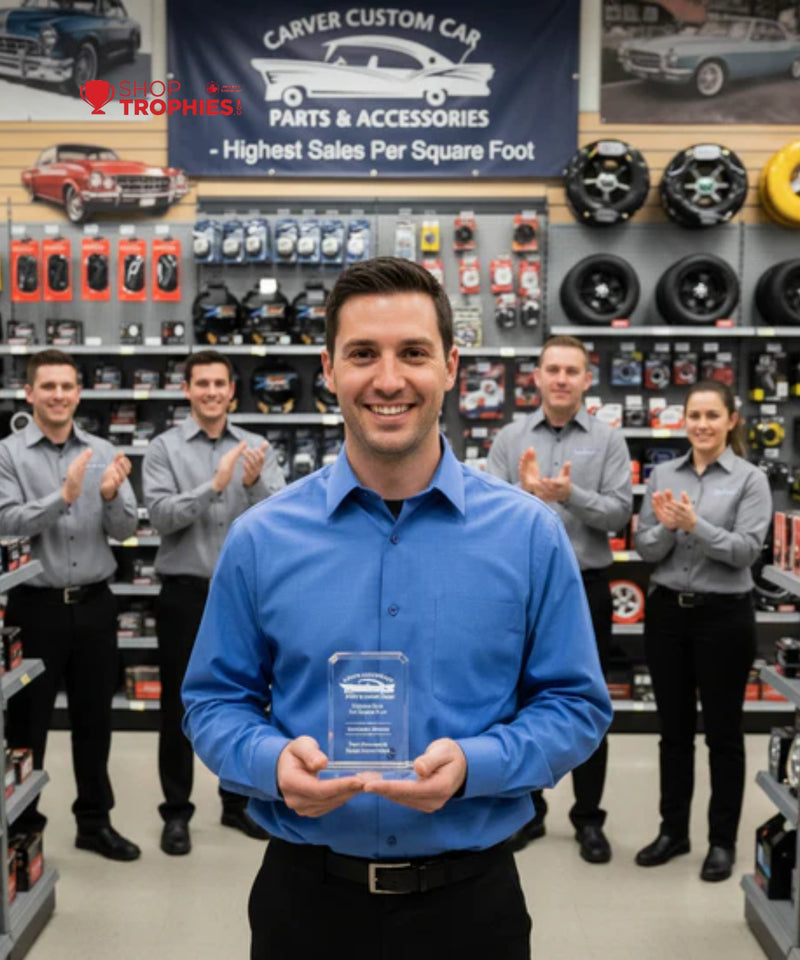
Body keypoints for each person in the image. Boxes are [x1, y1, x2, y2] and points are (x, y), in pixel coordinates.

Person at [181, 256, 613, 960]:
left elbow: (576, 705)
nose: (387, 380)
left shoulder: (529, 535)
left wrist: (479, 763)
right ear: (327, 369)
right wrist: (268, 761)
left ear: (450, 365)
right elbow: (213, 702)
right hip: (305, 905)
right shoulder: (260, 538)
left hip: (472, 908)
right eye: (362, 355)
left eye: (412, 353)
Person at [485, 334, 632, 864]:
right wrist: (525, 496)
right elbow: (484, 518)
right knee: (517, 699)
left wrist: (571, 496)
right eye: (553, 369)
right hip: (520, 589)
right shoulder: (510, 437)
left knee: (587, 702)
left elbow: (619, 515)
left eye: (572, 370)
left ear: (586, 379)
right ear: (538, 376)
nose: (562, 379)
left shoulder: (609, 440)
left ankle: (588, 819)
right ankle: (529, 811)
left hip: (588, 586)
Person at [142, 349, 285, 856]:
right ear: (187, 389)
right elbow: (159, 517)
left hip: (246, 598)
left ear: (232, 390)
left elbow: (282, 519)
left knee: (247, 702)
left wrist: (251, 484)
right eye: (200, 383)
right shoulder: (162, 448)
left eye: (219, 383)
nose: (210, 391)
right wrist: (215, 486)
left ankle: (236, 803)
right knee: (178, 707)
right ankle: (176, 813)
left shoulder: (256, 447)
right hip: (184, 594)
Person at [0, 348, 140, 861]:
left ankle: (94, 821)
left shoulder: (103, 449)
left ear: (79, 393)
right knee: (27, 724)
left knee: (93, 720)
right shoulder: (9, 454)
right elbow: (6, 522)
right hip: (34, 609)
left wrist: (107, 495)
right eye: (48, 386)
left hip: (96, 606)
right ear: (30, 393)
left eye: (67, 386)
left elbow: (126, 531)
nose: (59, 395)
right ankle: (25, 824)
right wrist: (64, 495)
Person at [634, 379, 771, 882]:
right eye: (695, 415)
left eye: (713, 416)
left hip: (724, 617)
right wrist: (668, 527)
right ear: (683, 420)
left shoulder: (750, 479)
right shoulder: (663, 474)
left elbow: (745, 552)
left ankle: (720, 841)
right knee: (672, 734)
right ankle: (673, 832)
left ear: (731, 420)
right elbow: (646, 550)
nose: (703, 425)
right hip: (668, 614)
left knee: (723, 735)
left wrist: (695, 525)